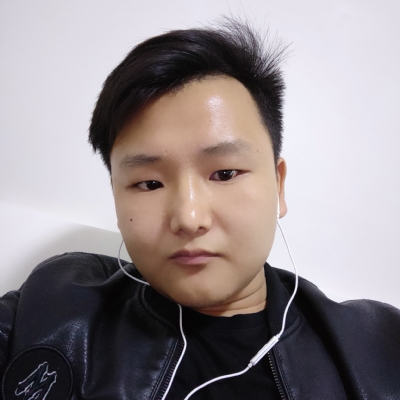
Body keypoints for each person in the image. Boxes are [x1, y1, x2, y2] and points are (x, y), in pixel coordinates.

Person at [1, 19, 400, 400]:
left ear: (278, 185)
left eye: (225, 173)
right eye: (149, 183)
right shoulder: (49, 306)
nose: (189, 219)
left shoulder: (379, 345)